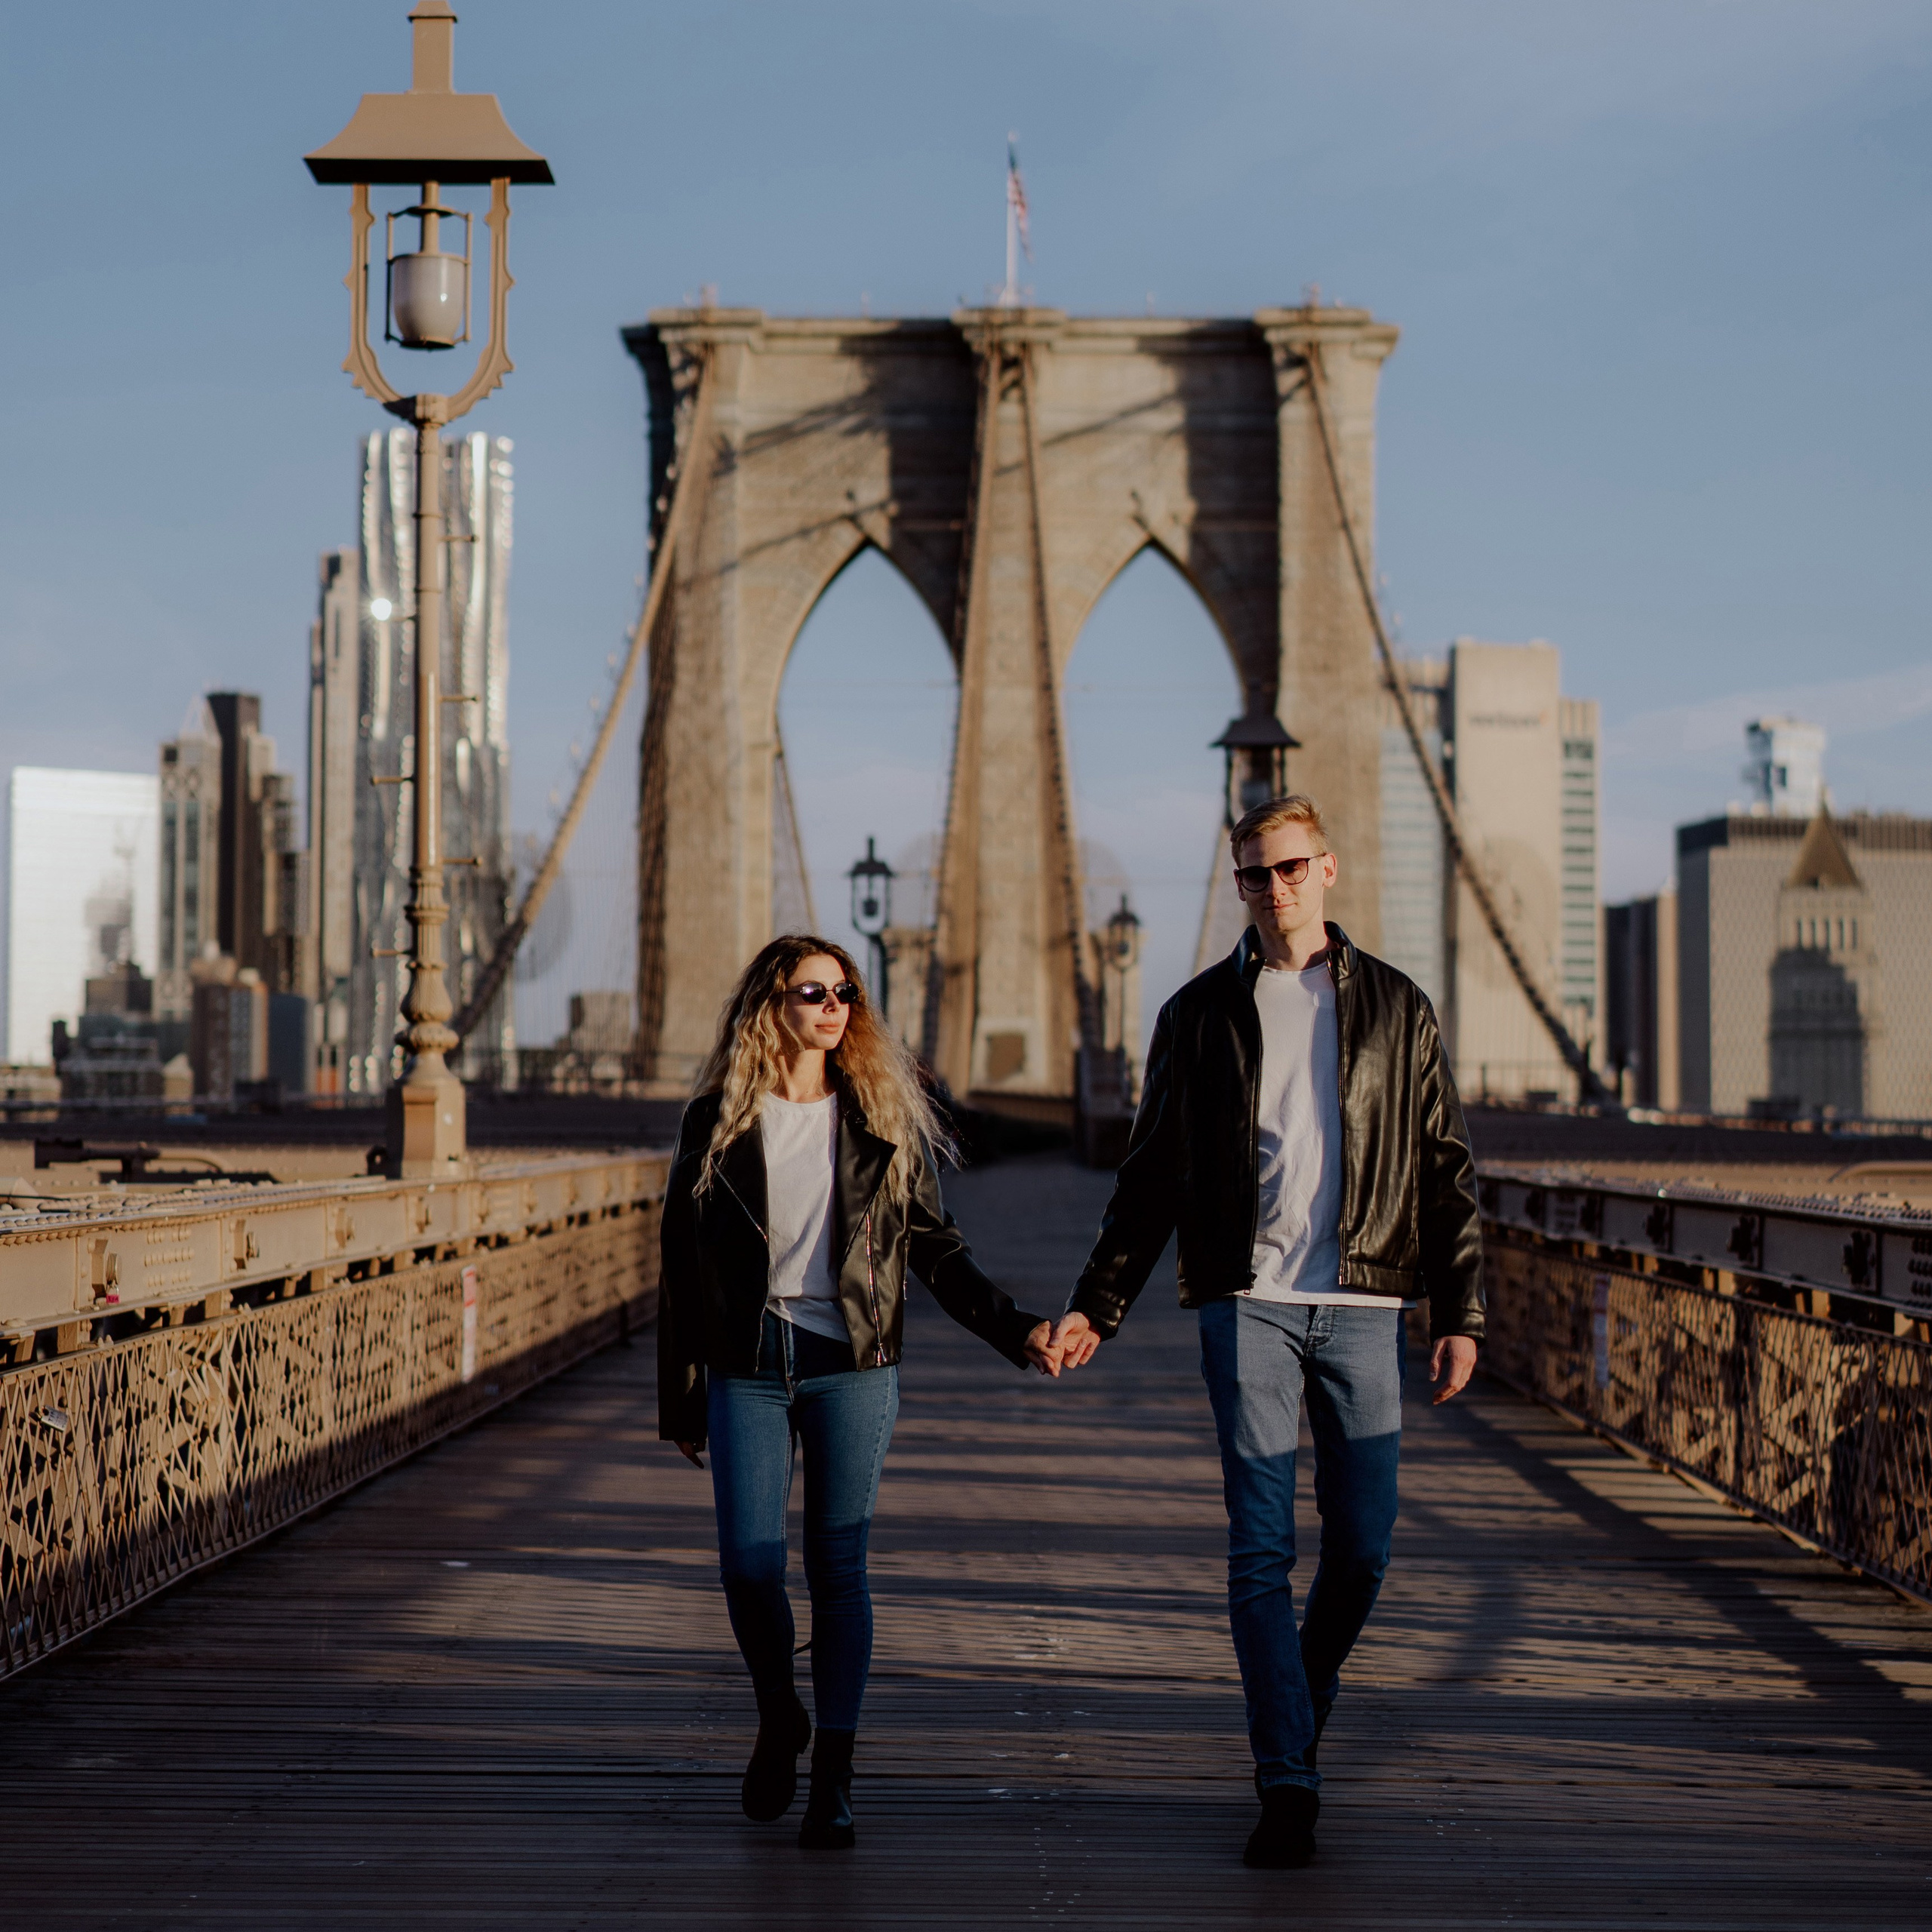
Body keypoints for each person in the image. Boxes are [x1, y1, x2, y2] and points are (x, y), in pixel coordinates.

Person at [1051, 794, 1482, 1872]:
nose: (1274, 888)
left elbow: (1443, 1165)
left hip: (1365, 1303)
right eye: (1255, 873)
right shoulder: (1197, 1014)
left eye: (1291, 868)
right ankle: (1286, 1778)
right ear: (1239, 881)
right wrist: (1098, 1302)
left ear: (1327, 869)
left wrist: (1460, 1311)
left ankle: (1296, 1691)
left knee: (1364, 1549)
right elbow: (1150, 1174)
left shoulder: (1398, 1005)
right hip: (1246, 1301)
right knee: (1260, 1549)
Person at [659, 934, 1063, 1850]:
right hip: (748, 1364)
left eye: (845, 993)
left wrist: (1017, 1329)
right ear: (771, 1005)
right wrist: (682, 1399)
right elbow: (679, 1269)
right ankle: (779, 1712)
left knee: (838, 1570)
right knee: (748, 1567)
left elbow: (935, 1247)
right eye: (813, 992)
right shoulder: (713, 1121)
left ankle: (834, 1779)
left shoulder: (879, 1116)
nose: (833, 1007)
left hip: (852, 1362)